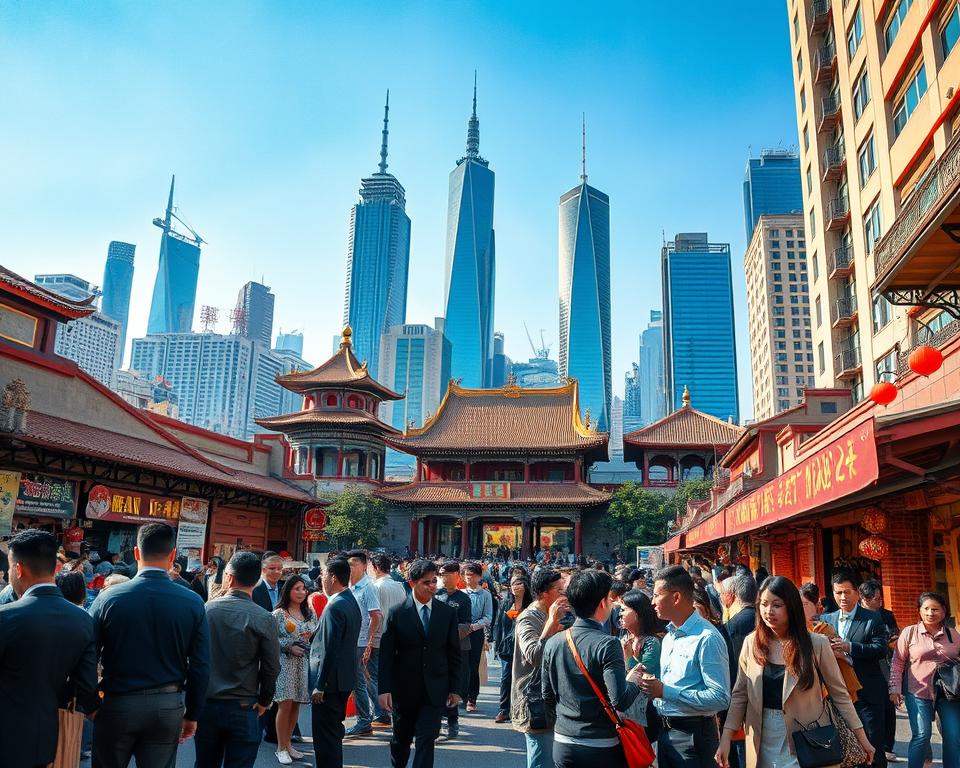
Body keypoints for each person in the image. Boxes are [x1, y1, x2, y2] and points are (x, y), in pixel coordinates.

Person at [716, 576, 875, 768]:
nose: (769, 611)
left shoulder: (817, 644)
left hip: (809, 739)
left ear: (791, 607)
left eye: (777, 605)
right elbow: (740, 695)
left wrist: (862, 739)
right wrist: (726, 738)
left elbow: (840, 695)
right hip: (762, 737)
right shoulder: (752, 643)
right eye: (764, 604)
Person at [88, 522, 210, 768]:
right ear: (173, 555)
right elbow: (201, 665)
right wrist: (193, 714)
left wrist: (90, 702)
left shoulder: (108, 598)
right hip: (167, 705)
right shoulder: (193, 602)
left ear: (136, 552)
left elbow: (87, 654)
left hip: (117, 702)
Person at [0, 529, 98, 768]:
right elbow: (86, 686)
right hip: (47, 734)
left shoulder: (5, 617)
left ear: (19, 569)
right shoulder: (82, 619)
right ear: (55, 567)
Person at [541, 568, 642, 768]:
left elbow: (547, 695)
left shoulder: (553, 642)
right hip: (600, 743)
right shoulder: (608, 644)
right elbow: (620, 700)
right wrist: (634, 682)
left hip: (563, 741)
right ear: (603, 603)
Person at [195, 550, 281, 768]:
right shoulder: (264, 618)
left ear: (229, 577)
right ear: (256, 579)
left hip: (208, 703)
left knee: (205, 763)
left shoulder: (205, 610)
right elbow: (271, 667)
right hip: (244, 704)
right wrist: (264, 700)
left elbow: (194, 660)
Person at [642, 565, 730, 768]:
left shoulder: (707, 638)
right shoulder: (670, 636)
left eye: (656, 595)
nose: (653, 602)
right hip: (666, 731)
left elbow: (720, 698)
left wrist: (665, 691)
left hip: (693, 736)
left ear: (676, 597)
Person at [378, 559, 463, 768]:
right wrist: (384, 689)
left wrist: (455, 688)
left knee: (427, 739)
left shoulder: (447, 613)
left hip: (435, 687)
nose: (432, 586)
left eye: (435, 581)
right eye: (426, 582)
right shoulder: (397, 613)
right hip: (404, 688)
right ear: (412, 582)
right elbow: (387, 655)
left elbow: (454, 653)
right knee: (401, 740)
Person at [822, 571, 889, 768]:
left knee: (873, 746)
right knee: (845, 749)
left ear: (857, 593)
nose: (842, 597)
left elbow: (880, 649)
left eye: (847, 592)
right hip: (836, 694)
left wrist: (849, 647)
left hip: (867, 693)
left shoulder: (872, 618)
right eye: (838, 592)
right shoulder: (826, 620)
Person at [889, 591, 960, 768]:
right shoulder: (909, 633)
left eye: (935, 609)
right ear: (919, 611)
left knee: (953, 735)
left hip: (948, 693)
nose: (930, 613)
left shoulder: (953, 635)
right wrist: (894, 688)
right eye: (926, 608)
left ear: (943, 612)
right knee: (922, 735)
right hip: (917, 692)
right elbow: (898, 662)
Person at [512, 566, 569, 768]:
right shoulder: (528, 618)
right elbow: (535, 656)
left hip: (557, 697)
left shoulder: (565, 613)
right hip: (535, 699)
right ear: (543, 593)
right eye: (559, 591)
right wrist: (551, 624)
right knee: (541, 760)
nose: (565, 595)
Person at [310, 557, 361, 768]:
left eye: (323, 576)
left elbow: (331, 649)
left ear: (333, 577)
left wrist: (321, 685)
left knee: (325, 739)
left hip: (330, 683)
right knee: (333, 734)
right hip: (343, 678)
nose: (321, 580)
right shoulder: (350, 600)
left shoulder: (335, 606)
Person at [272, 574, 318, 765]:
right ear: (288, 591)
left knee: (296, 703)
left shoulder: (310, 613)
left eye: (303, 588)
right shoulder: (278, 614)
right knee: (285, 703)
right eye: (296, 588)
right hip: (285, 663)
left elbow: (316, 634)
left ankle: (289, 743)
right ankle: (280, 747)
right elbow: (271, 640)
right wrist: (288, 646)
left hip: (303, 663)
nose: (301, 592)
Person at [799, 582, 862, 702]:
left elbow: (845, 660)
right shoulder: (793, 630)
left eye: (804, 604)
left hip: (826, 688)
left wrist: (837, 653)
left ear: (816, 605)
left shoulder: (825, 629)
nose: (799, 609)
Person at [344, 548, 384, 737]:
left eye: (353, 564)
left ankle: (364, 720)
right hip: (352, 640)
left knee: (358, 681)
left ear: (364, 565)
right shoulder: (352, 585)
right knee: (359, 680)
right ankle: (371, 716)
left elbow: (376, 615)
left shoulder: (368, 586)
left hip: (360, 641)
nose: (350, 568)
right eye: (348, 565)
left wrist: (368, 641)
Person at [860, 579, 900, 763]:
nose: (879, 602)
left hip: (885, 664)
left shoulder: (886, 615)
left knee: (888, 705)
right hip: (863, 667)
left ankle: (887, 746)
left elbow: (895, 633)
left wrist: (892, 640)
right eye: (875, 599)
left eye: (880, 598)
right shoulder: (857, 615)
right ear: (864, 599)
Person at [434, 559, 473, 739]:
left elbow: (466, 625)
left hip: (457, 648)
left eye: (447, 574)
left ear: (457, 576)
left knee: (454, 684)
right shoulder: (437, 595)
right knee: (438, 684)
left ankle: (453, 721)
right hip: (438, 648)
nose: (443, 578)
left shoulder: (463, 598)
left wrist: (448, 635)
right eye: (441, 574)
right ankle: (438, 721)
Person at [493, 573, 532, 722]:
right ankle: (504, 709)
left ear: (526, 586)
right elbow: (499, 625)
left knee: (524, 678)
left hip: (524, 646)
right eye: (514, 584)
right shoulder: (505, 603)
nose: (516, 587)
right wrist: (497, 644)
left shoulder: (531, 605)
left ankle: (522, 708)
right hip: (507, 647)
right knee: (506, 677)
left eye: (519, 583)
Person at [462, 561, 493, 712]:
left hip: (475, 633)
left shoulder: (485, 595)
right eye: (466, 575)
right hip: (461, 633)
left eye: (471, 575)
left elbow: (488, 617)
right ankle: (460, 694)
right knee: (460, 665)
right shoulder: (460, 594)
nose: (468, 578)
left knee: (473, 666)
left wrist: (473, 626)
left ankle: (472, 698)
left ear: (479, 577)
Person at [724, 572, 758, 670]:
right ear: (757, 595)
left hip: (739, 672)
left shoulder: (730, 625)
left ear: (737, 597)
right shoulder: (765, 620)